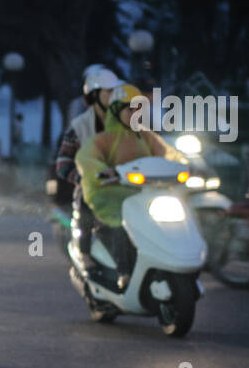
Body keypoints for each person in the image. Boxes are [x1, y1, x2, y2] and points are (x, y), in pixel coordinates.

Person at [75, 83, 181, 288]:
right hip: (110, 193)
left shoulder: (147, 136)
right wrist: (104, 171)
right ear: (116, 110)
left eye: (139, 108)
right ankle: (120, 270)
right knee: (120, 223)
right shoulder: (103, 139)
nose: (136, 113)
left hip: (144, 194)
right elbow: (86, 158)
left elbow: (168, 153)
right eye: (130, 108)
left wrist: (186, 166)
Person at [55, 67, 124, 260]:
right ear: (94, 95)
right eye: (108, 92)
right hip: (93, 189)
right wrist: (84, 179)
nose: (113, 96)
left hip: (126, 185)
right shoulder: (79, 126)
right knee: (87, 212)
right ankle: (85, 254)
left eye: (115, 92)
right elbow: (63, 164)